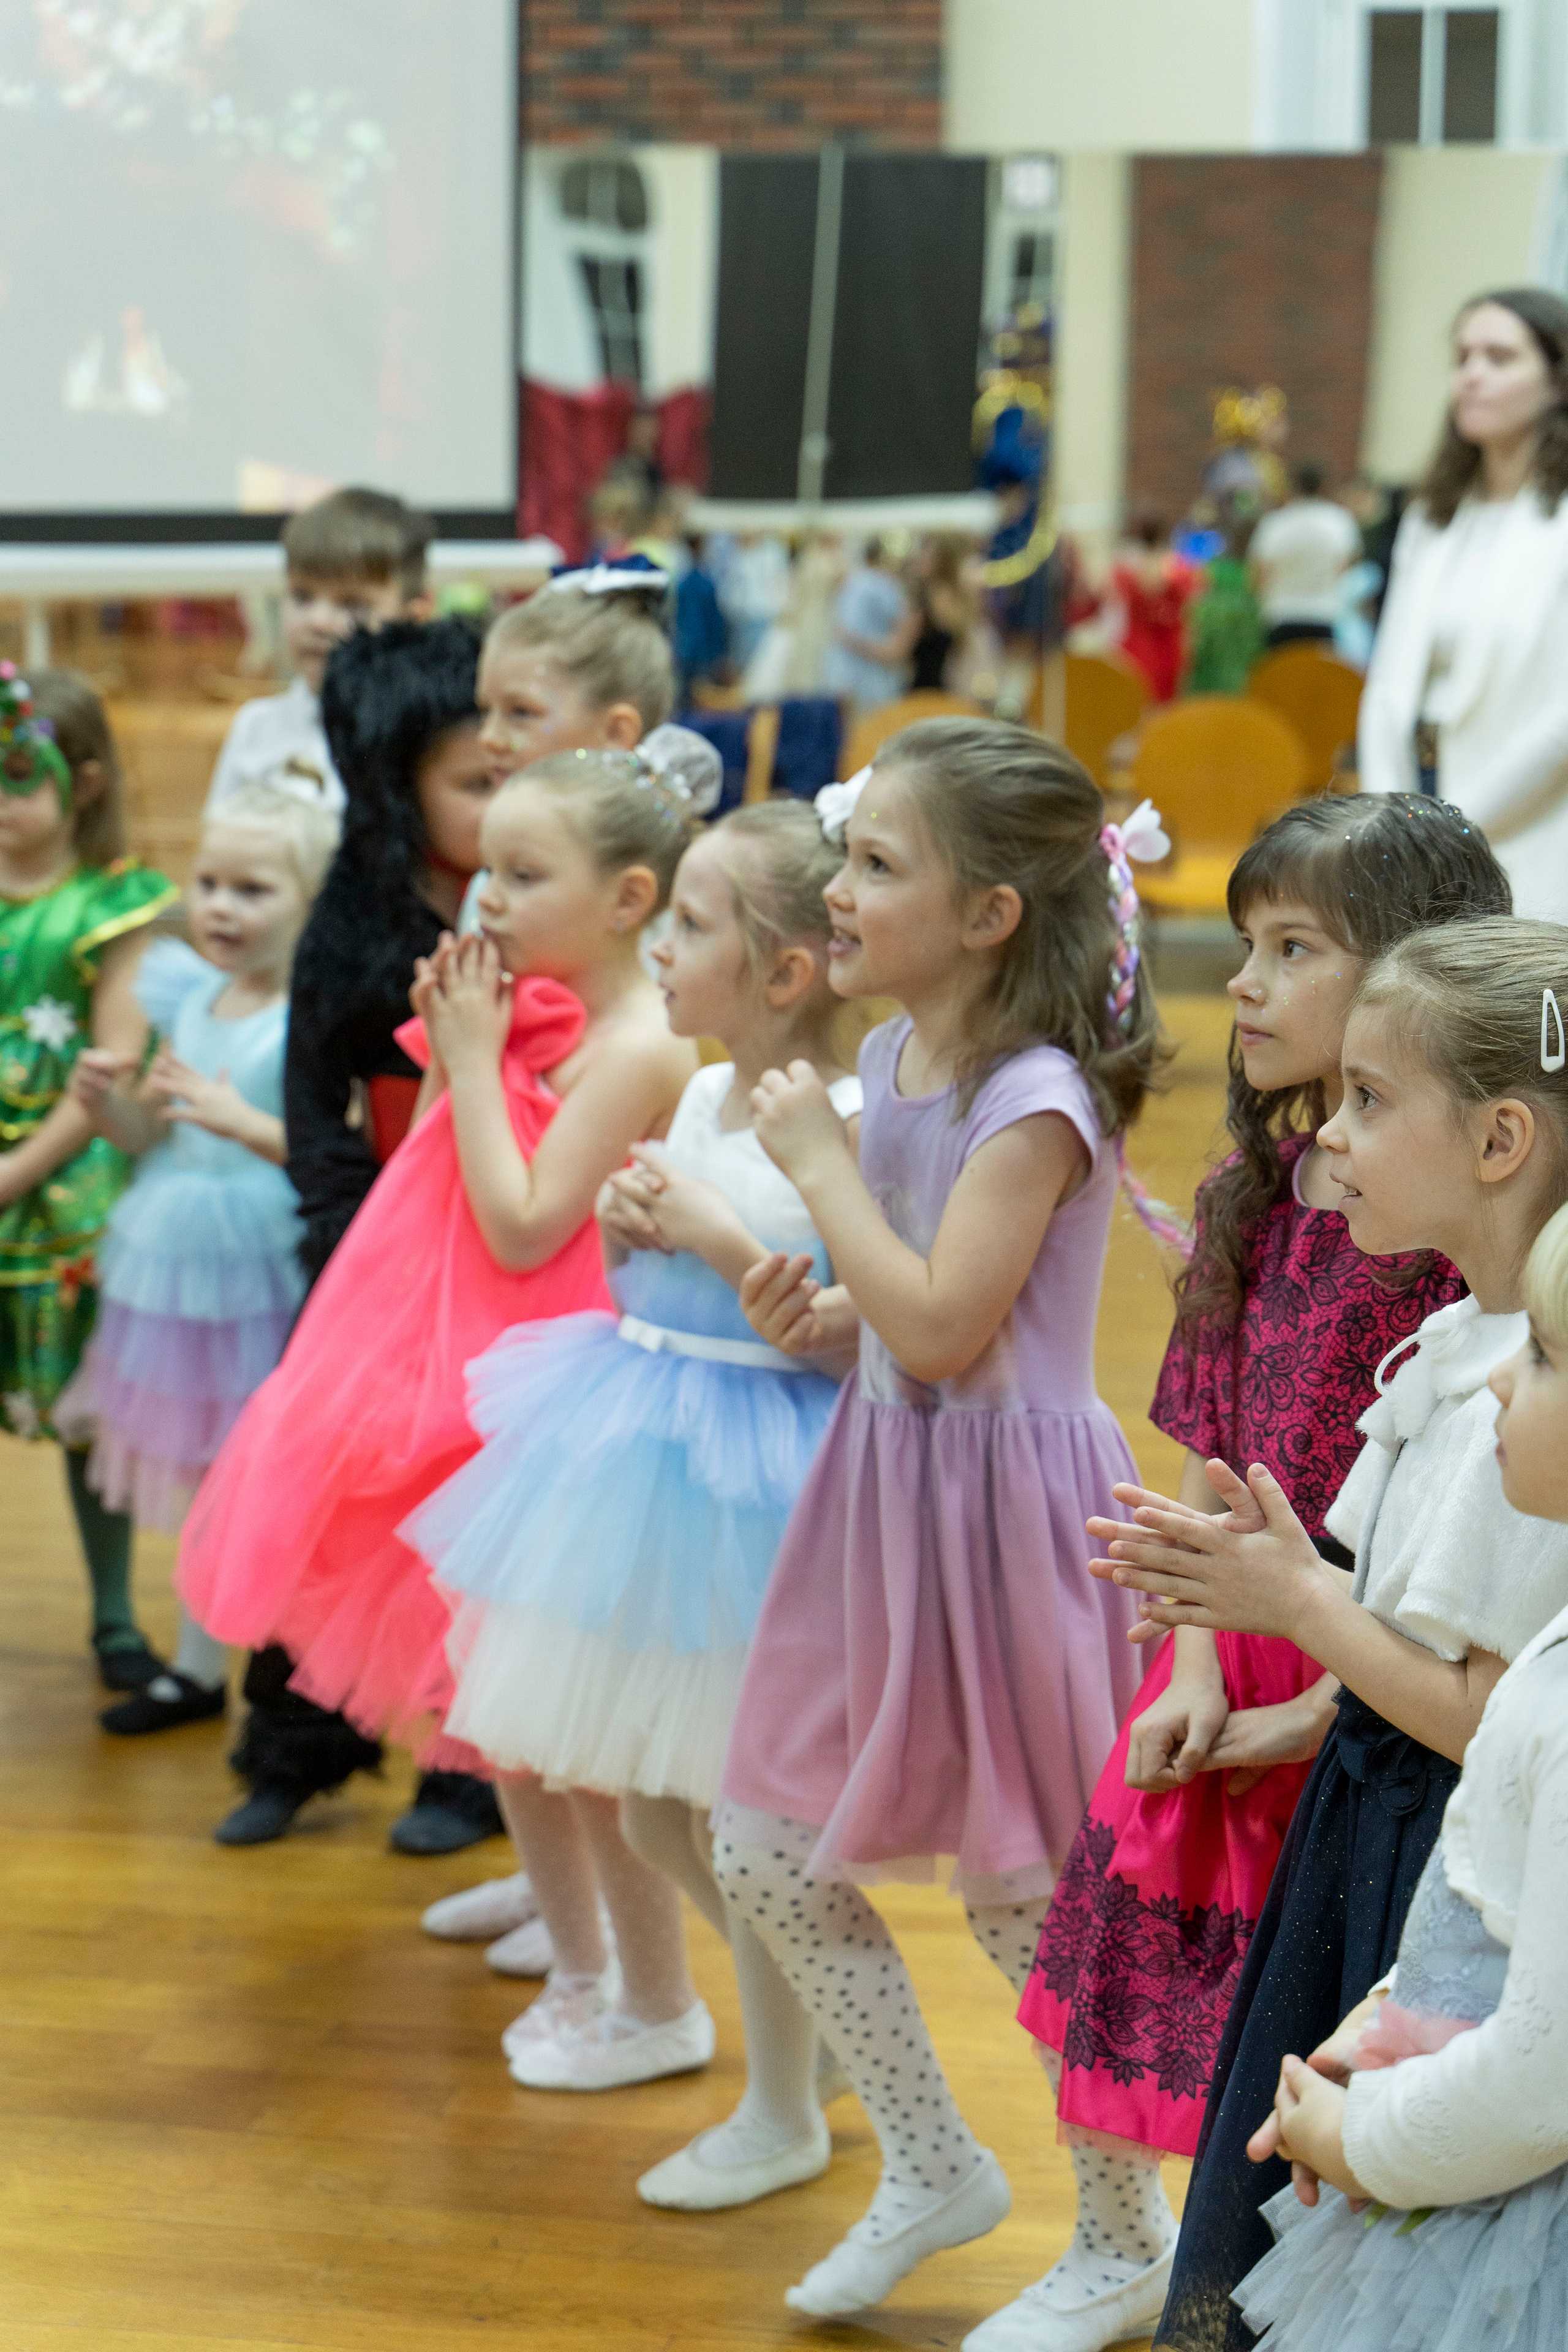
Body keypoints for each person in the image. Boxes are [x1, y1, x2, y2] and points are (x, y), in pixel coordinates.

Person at [975, 796, 1502, 2352]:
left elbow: (1431, 1550)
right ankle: (1127, 2247)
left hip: (1376, 1659)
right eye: (1247, 947)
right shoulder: (1249, 1191)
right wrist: (1198, 1658)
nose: (1247, 984)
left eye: (1291, 950)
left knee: (1324, 1998)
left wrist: (1310, 1693)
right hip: (1233, 1633)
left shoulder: (1433, 1224)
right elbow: (1213, 1442)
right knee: (1175, 1976)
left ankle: (1304, 2285)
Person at [709, 719, 1166, 2319]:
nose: (838, 889)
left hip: (1007, 1523)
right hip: (887, 1498)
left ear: (991, 917)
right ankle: (929, 2159)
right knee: (761, 1843)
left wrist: (824, 1177)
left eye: (876, 863)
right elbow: (900, 1314)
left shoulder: (1034, 1102)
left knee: (1029, 1899)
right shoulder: (899, 1060)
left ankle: (1123, 2240)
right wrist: (818, 1313)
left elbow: (954, 1329)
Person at [1090, 916, 1568, 2351]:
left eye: (1368, 1099)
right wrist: (1300, 1632)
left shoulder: (1537, 1417)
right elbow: (1410, 1643)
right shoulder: (1465, 1356)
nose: (1331, 1137)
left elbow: (1495, 1718)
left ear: (1495, 1138)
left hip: (1441, 1854)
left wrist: (1299, 1612)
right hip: (1364, 1827)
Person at [409, 802, 862, 2144]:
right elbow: (650, 1275)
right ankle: (816, 2019)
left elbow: (835, 1324)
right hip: (643, 1433)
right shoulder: (705, 1087)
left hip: (760, 1478)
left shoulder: (840, 1113)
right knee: (659, 1814)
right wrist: (632, 1236)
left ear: (783, 971)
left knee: (736, 1813)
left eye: (691, 926)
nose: (663, 951)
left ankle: (795, 2073)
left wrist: (708, 1235)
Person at [177, 739, 706, 1868]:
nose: (488, 899)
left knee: (554, 1712)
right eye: (487, 873)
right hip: (447, 1353)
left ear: (627, 901)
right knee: (490, 1704)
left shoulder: (643, 1047)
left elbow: (523, 1225)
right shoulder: (511, 1008)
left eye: (523, 875)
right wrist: (468, 1052)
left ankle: (629, 1980)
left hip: (548, 1384)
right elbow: (425, 1179)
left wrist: (470, 1061)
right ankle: (569, 1952)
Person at [1231, 1199, 1568, 2350]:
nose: (1503, 1386)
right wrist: (1385, 2031)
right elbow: (1492, 1908)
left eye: (1546, 1356)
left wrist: (1358, 2137)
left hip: (1511, 2212)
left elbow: (1544, 2069)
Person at [58, 787, 338, 1733]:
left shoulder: (311, 1012)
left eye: (253, 889)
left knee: (262, 1472)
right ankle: (193, 1662)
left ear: (310, 899)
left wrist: (241, 1122)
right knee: (198, 1466)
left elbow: (328, 1151)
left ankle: (291, 1675)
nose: (221, 907)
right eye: (210, 883)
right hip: (174, 1260)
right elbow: (150, 1134)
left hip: (263, 1261)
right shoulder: (187, 995)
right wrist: (109, 1107)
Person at [0, 665, 178, 1690]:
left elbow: (111, 1059)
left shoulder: (112, 907)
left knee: (83, 1416)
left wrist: (18, 1168)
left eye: (19, 778)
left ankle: (114, 1615)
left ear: (90, 782)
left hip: (68, 1197)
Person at [1358, 288, 1568, 921]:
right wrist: (1388, 819)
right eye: (1463, 357)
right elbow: (1389, 676)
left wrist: (1455, 834)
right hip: (1415, 798)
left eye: (1499, 358)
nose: (1471, 375)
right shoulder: (1434, 514)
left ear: (1557, 382)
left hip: (1525, 813)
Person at [205, 487, 434, 820]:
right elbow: (218, 858)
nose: (319, 622)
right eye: (302, 596)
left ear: (412, 619)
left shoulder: (430, 738)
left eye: (353, 605)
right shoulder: (256, 728)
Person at [1247, 462, 1359, 650]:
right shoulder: (1340, 522)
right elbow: (1346, 568)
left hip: (1280, 616)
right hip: (1324, 616)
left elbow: (1258, 576)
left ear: (1293, 485)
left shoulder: (1275, 523)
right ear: (1324, 485)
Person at [821, 539, 914, 715]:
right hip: (874, 671)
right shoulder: (885, 585)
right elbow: (900, 623)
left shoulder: (851, 581)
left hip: (848, 669)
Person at [1111, 516, 1197, 703]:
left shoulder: (1126, 567)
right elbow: (1189, 607)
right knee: (1165, 703)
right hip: (1167, 643)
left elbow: (1114, 603)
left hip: (1140, 641)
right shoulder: (1178, 565)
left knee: (1138, 699)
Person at [1186, 516, 1267, 693]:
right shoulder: (1254, 573)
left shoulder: (1213, 568)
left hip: (1211, 633)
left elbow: (1195, 602)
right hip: (1246, 634)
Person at [908, 534, 979, 693]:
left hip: (930, 688)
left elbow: (900, 650)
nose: (919, 559)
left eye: (925, 555)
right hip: (944, 685)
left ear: (939, 561)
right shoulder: (953, 593)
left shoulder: (936, 596)